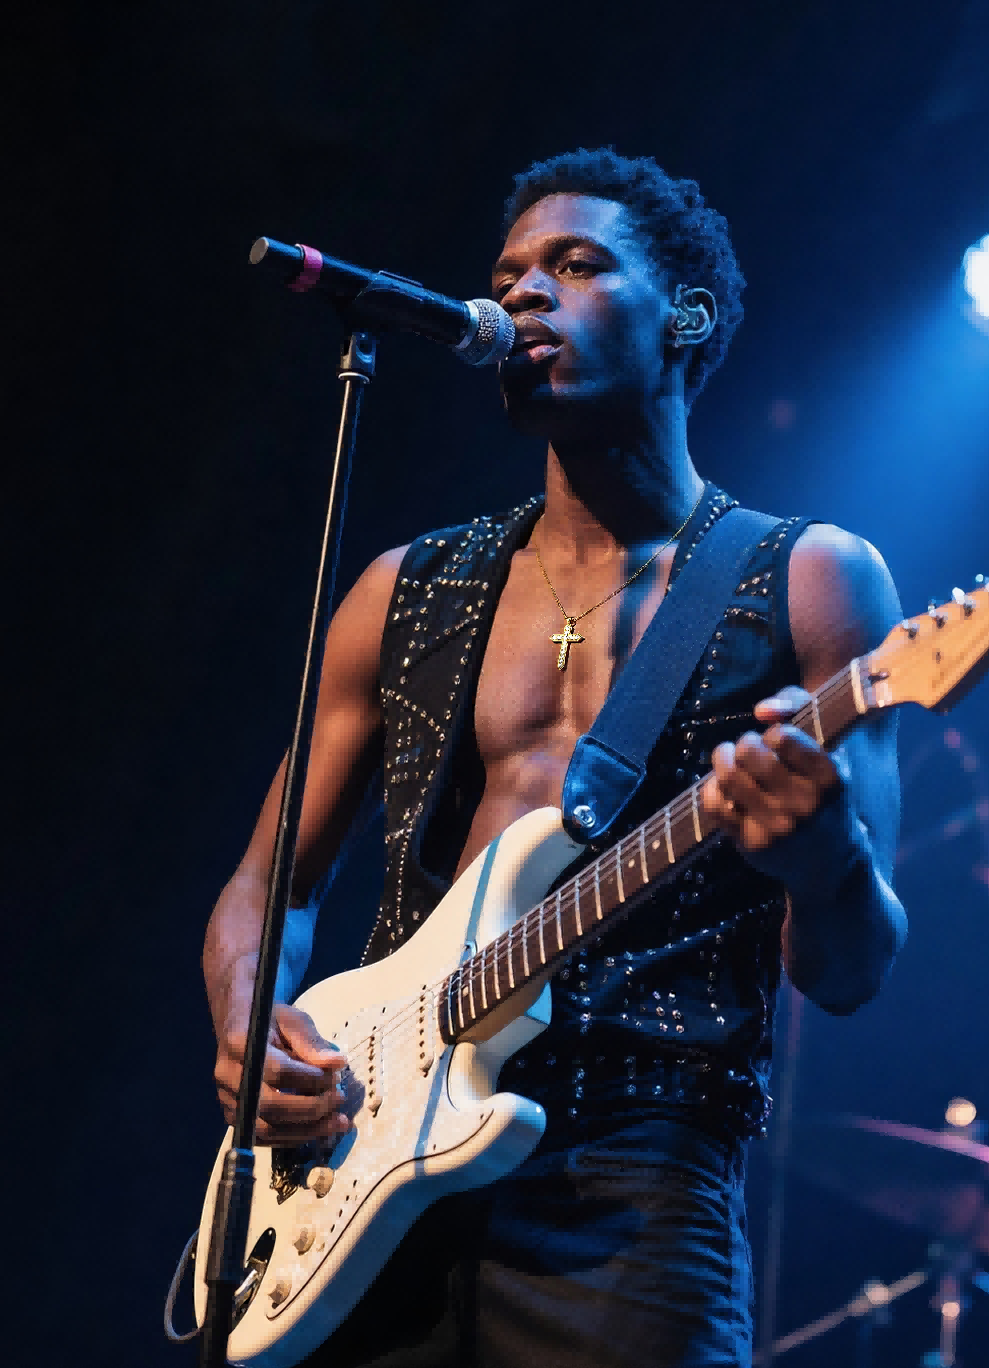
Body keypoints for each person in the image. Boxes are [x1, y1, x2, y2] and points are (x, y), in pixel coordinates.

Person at [202, 148, 908, 1367]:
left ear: (684, 315)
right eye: (509, 272)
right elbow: (267, 889)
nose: (525, 292)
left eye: (575, 266)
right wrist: (253, 1028)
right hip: (360, 1155)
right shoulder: (403, 590)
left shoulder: (812, 581)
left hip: (633, 1191)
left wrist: (822, 853)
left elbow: (850, 970)